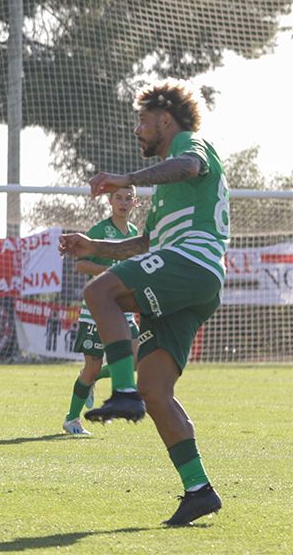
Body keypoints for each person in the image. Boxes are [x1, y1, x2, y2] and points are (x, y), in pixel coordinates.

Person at [59, 80, 228, 526]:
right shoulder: (165, 198)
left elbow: (189, 165)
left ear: (165, 120)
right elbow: (142, 244)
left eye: (143, 121)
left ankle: (124, 392)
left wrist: (127, 178)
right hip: (193, 284)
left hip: (191, 264)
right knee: (159, 391)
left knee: (99, 292)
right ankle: (198, 490)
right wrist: (89, 246)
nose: (137, 130)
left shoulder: (191, 144)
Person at [62, 185, 140, 436]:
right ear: (110, 201)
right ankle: (72, 420)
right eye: (119, 197)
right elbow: (81, 265)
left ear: (135, 203)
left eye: (129, 198)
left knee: (137, 357)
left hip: (124, 308)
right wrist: (111, 274)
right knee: (92, 367)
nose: (124, 202)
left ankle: (93, 380)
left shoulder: (136, 233)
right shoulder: (99, 230)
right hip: (98, 308)